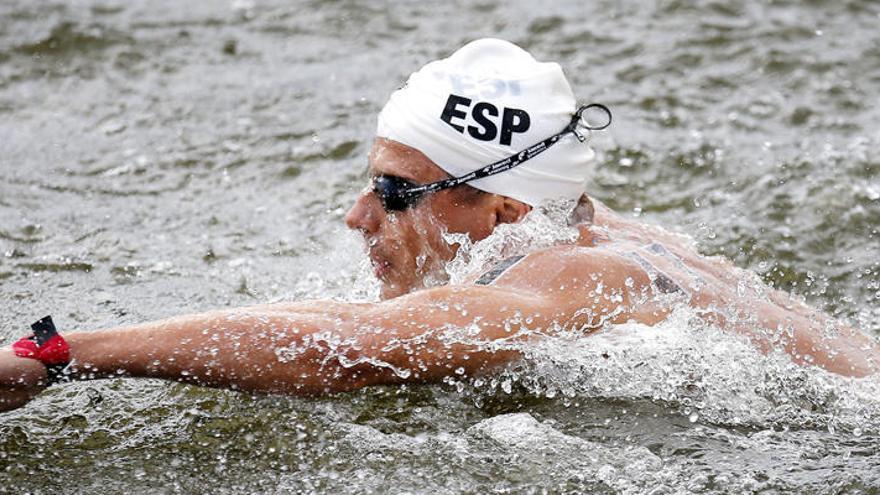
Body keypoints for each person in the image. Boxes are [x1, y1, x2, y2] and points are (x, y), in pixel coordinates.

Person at [2, 39, 877, 413]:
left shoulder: (563, 275)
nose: (356, 217)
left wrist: (58, 348)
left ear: (503, 210)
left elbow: (337, 348)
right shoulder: (587, 229)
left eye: (394, 191)